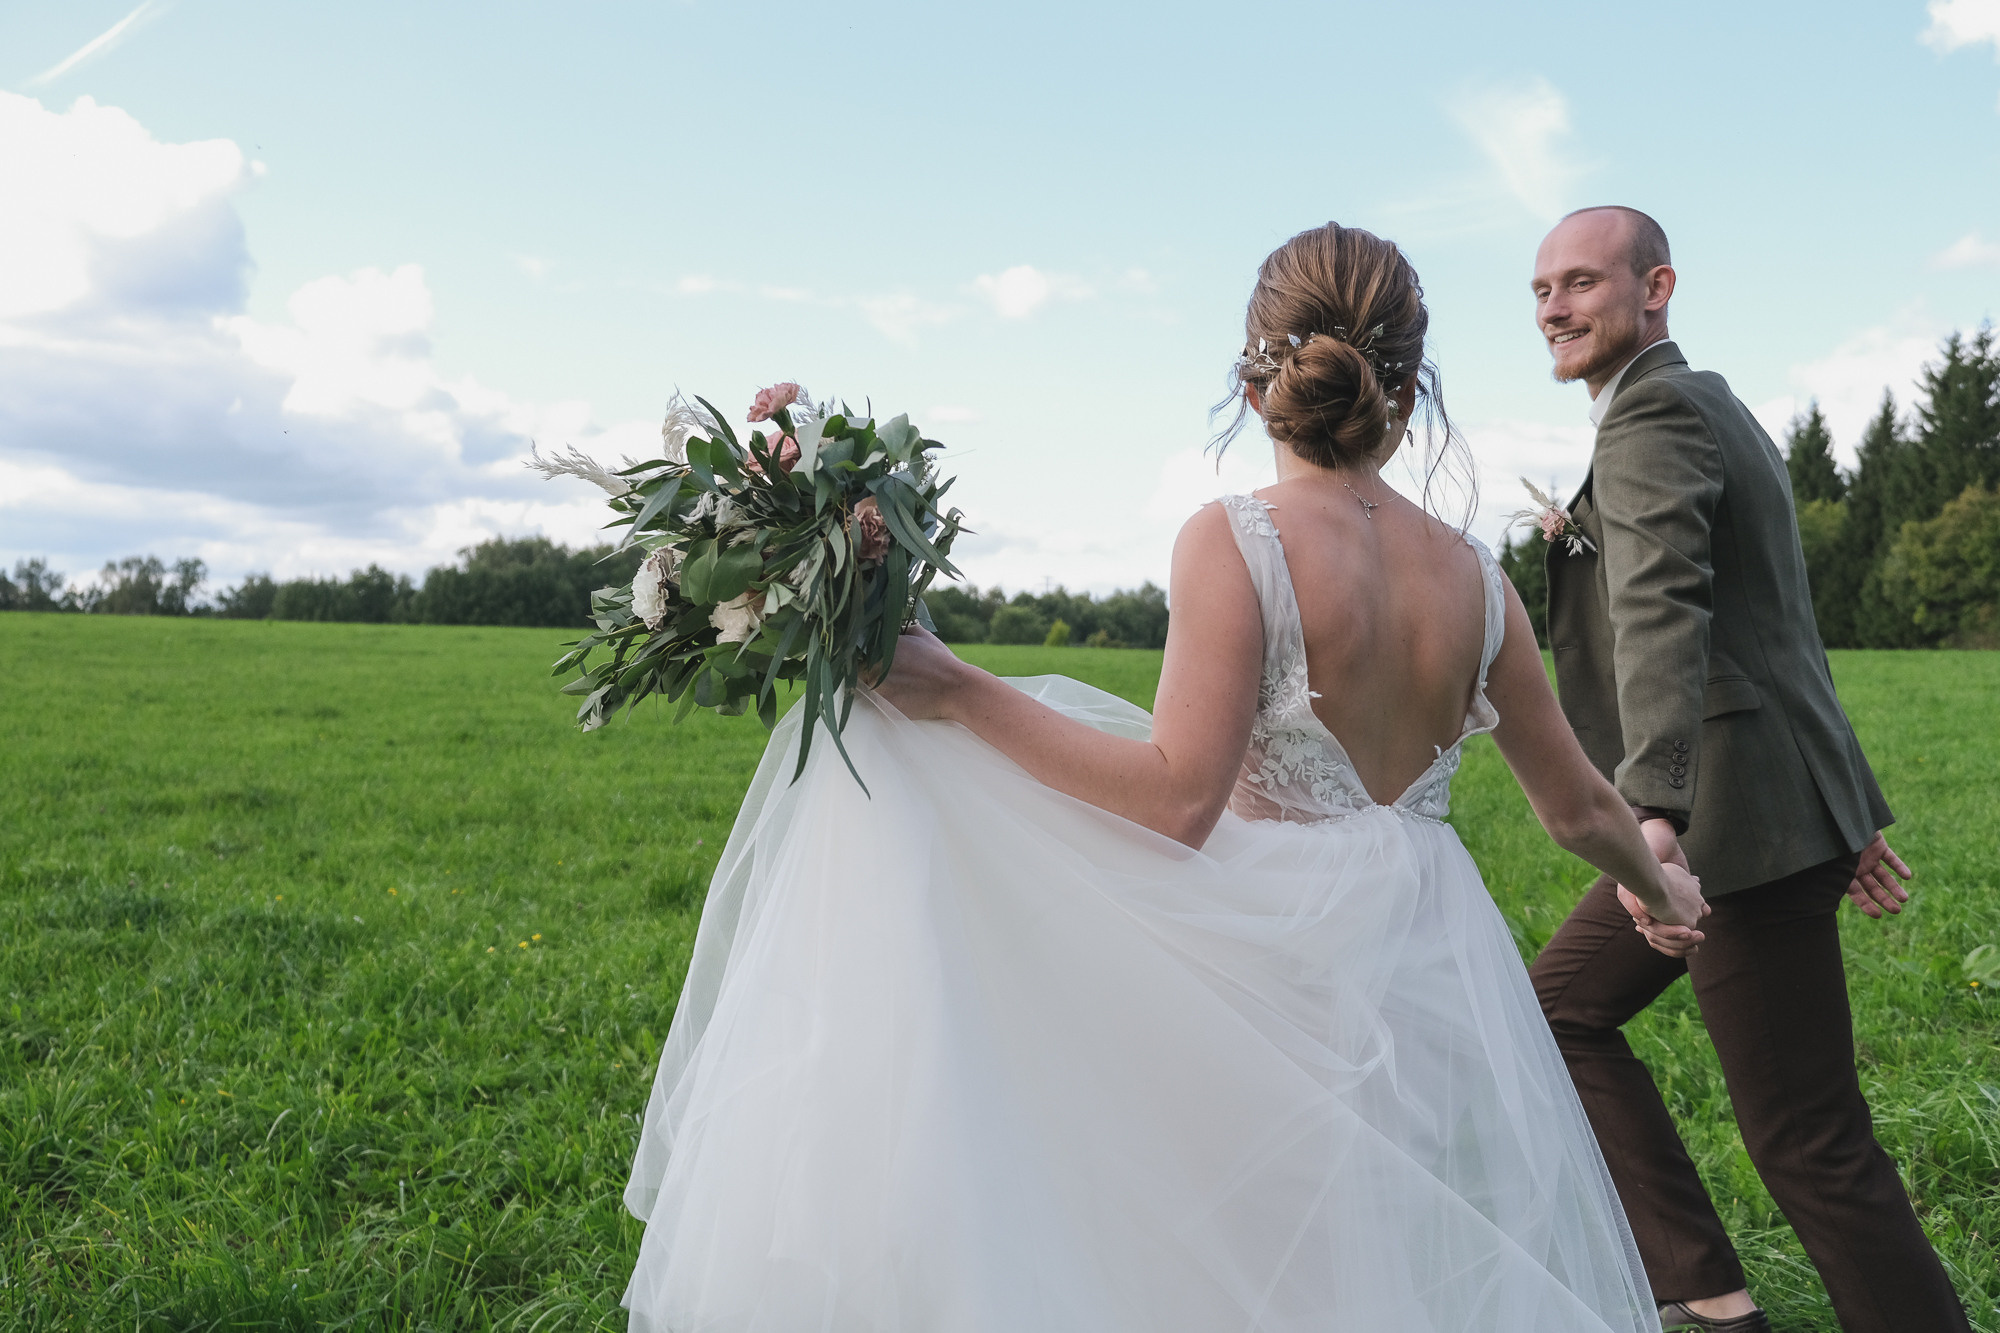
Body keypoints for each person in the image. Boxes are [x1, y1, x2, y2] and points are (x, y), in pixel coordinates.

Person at [618, 223, 1704, 1332]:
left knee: (1242, 1262)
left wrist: (952, 690)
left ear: (1254, 373)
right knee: (1377, 1256)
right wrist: (1659, 888)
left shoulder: (1236, 539)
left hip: (1266, 955)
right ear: (1408, 382)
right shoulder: (1478, 577)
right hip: (1427, 958)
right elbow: (1573, 802)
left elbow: (1179, 798)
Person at [1525, 205, 1970, 1333]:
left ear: (1655, 286)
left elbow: (1664, 614)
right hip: (1762, 811)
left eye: (1580, 282)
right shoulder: (1705, 401)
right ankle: (1710, 1295)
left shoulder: (1653, 415)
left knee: (1808, 1142)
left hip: (1723, 831)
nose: (1554, 307)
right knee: (1558, 1013)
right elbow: (1773, 629)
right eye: (1539, 291)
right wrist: (1846, 812)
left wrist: (1653, 818)